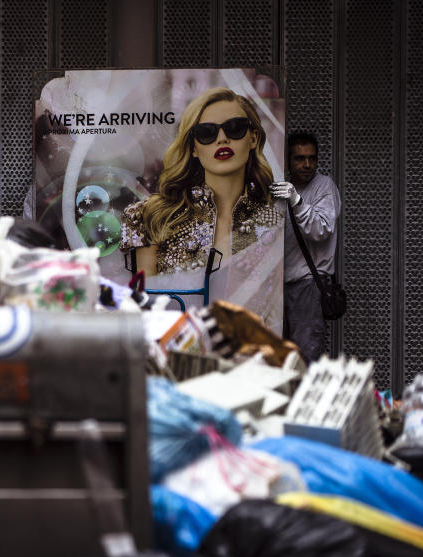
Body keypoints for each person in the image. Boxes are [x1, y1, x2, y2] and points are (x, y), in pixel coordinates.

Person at [120, 87, 281, 277]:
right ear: (193, 148)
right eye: (206, 133)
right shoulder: (152, 216)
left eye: (235, 128)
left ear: (253, 138)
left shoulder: (275, 219)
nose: (222, 139)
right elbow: (146, 300)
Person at [271, 131, 341, 363]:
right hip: (278, 286)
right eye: (300, 158)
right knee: (278, 358)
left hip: (308, 285)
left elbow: (320, 230)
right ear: (288, 161)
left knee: (305, 357)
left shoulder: (324, 187)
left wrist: (297, 201)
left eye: (312, 158)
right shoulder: (281, 185)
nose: (307, 164)